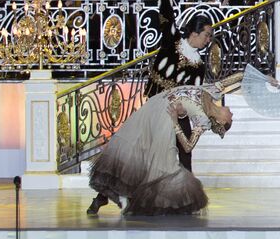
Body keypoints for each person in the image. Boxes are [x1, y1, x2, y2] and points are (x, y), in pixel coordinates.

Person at [86, 76, 240, 216]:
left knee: (156, 162)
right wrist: (261, 77)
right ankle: (107, 197)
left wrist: (175, 122)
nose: (232, 114)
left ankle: (137, 202)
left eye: (230, 119)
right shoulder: (212, 91)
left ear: (220, 122)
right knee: (132, 143)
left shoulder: (203, 120)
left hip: (165, 117)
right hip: (156, 104)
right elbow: (237, 77)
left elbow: (187, 146)